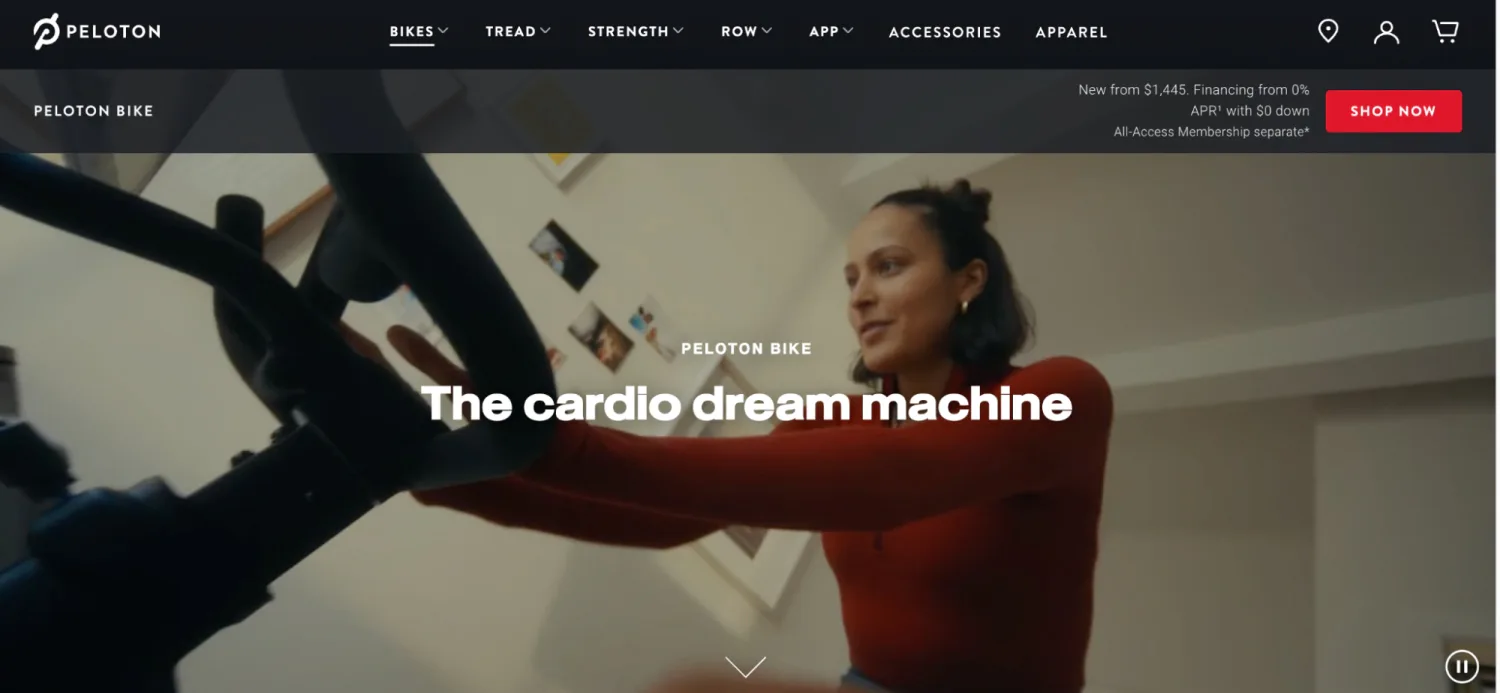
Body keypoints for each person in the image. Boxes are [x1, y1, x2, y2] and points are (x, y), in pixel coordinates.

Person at [346, 179, 1114, 693]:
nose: (860, 297)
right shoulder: (832, 426)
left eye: (888, 266)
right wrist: (443, 467)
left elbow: (898, 477)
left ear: (969, 280)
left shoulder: (1061, 397)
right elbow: (659, 520)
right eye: (851, 278)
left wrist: (552, 442)